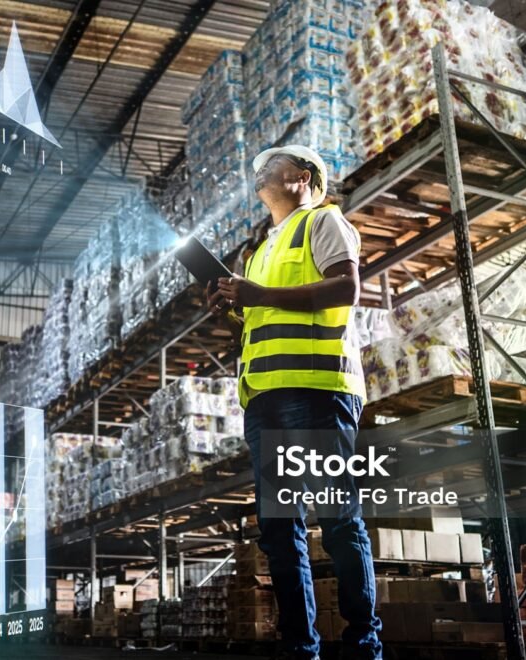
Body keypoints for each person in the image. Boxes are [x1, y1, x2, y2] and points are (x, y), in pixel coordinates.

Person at [209, 145, 381, 660]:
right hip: (265, 400)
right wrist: (233, 313)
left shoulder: (324, 222)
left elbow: (345, 289)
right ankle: (299, 647)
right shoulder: (260, 251)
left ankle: (363, 644)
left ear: (301, 178)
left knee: (336, 518)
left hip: (317, 391)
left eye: (271, 164)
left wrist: (257, 296)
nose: (258, 170)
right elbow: (262, 321)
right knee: (279, 532)